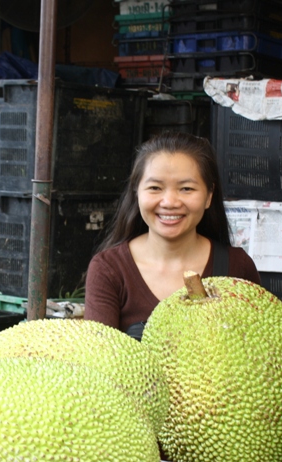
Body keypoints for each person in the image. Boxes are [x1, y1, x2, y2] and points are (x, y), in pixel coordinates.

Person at [84, 131, 260, 339]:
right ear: (136, 193)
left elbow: (262, 349)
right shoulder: (109, 269)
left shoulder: (237, 266)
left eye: (186, 188)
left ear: (208, 196)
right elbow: (97, 358)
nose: (169, 202)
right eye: (155, 188)